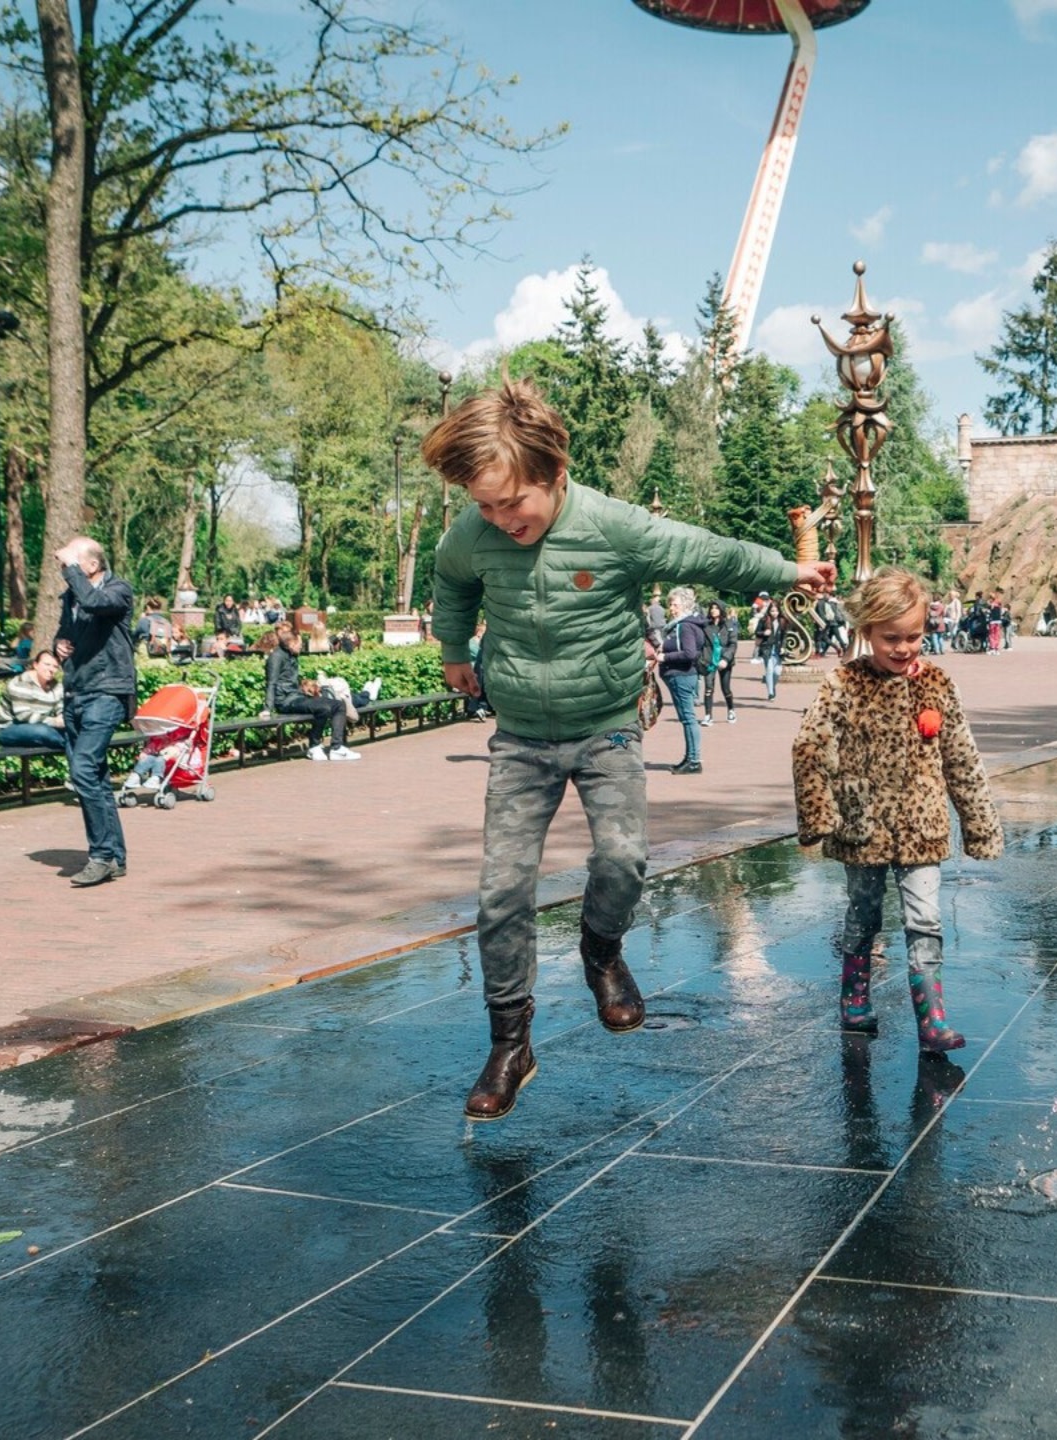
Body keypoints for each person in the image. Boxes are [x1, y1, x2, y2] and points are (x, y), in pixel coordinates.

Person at [426, 378, 827, 1122]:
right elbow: (451, 583)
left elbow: (710, 553)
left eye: (512, 502)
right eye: (485, 505)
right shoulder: (472, 535)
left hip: (607, 725)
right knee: (501, 891)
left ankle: (601, 951)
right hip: (519, 736)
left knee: (622, 858)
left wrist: (788, 570)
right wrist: (453, 646)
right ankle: (511, 1041)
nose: (499, 519)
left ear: (554, 473)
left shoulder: (613, 527)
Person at [792, 567, 1003, 1052]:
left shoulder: (937, 685)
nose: (904, 648)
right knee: (863, 915)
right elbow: (809, 747)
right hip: (862, 823)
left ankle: (932, 1020)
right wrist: (819, 816)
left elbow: (962, 757)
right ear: (866, 631)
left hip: (922, 824)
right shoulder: (843, 683)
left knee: (925, 920)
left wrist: (979, 824)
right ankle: (855, 999)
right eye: (891, 638)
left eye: (914, 636)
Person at [52, 537, 136, 887]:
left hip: (107, 691)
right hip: (77, 692)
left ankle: (100, 855)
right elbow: (66, 634)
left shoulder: (118, 590)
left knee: (83, 768)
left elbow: (94, 600)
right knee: (97, 777)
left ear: (90, 565)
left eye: (72, 562)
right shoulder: (72, 595)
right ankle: (114, 856)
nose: (64, 568)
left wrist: (69, 568)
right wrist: (57, 644)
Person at [266, 620, 359, 762]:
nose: (302, 645)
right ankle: (314, 745)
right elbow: (271, 683)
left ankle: (336, 748)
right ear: (291, 644)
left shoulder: (292, 655)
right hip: (285, 701)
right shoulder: (276, 657)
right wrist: (267, 708)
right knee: (323, 708)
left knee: (339, 705)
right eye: (299, 643)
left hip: (296, 697)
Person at [658, 587, 709, 774]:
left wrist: (665, 657)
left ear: (685, 605)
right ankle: (690, 757)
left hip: (681, 675)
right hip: (682, 675)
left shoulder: (684, 626)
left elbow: (689, 653)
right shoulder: (686, 624)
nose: (671, 608)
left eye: (675, 604)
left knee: (688, 719)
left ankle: (694, 760)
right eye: (670, 604)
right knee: (687, 718)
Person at [0, 652, 66, 750]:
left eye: (55, 666)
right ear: (35, 665)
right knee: (43, 731)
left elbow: (60, 706)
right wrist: (54, 721)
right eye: (47, 664)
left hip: (41, 725)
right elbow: (23, 715)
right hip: (9, 728)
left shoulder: (56, 686)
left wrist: (62, 717)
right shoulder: (19, 683)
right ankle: (72, 745)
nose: (51, 669)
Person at [700, 599, 738, 724]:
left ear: (721, 610)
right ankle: (708, 715)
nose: (713, 610)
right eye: (711, 608)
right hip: (709, 660)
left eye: (716, 608)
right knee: (708, 688)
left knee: (725, 688)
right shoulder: (705, 625)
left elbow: (733, 644)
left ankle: (731, 710)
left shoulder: (729, 625)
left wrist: (726, 659)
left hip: (723, 661)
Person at [753, 593, 786, 699]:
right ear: (769, 611)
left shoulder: (782, 621)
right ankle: (770, 693)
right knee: (769, 670)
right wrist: (764, 633)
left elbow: (785, 636)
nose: (774, 613)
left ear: (779, 611)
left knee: (777, 672)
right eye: (772, 611)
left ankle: (771, 685)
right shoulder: (764, 620)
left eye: (776, 611)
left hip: (777, 649)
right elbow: (757, 632)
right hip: (767, 648)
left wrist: (783, 646)